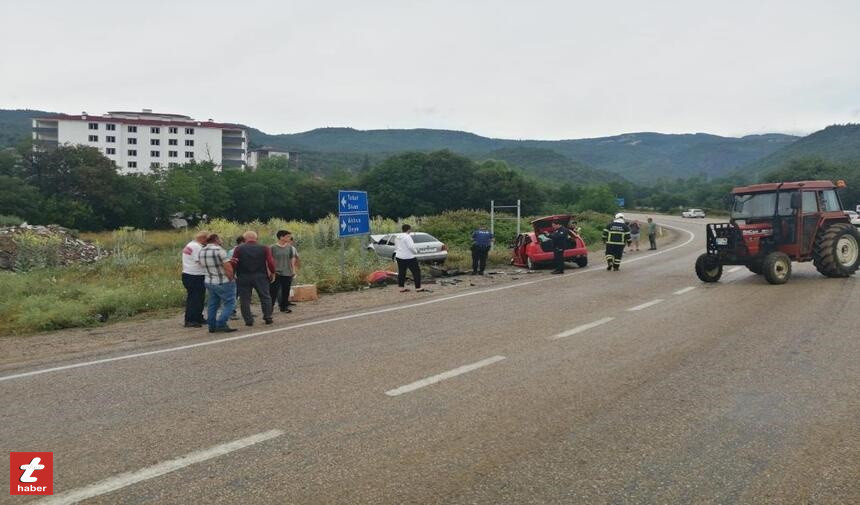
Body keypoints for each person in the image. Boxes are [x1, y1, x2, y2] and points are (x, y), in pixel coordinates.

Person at [231, 231, 276, 326]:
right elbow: (270, 262)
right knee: (265, 297)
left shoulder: (239, 249)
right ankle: (268, 317)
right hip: (261, 276)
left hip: (243, 276)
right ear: (256, 238)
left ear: (244, 238)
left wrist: (233, 274)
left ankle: (248, 320)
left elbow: (234, 262)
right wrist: (272, 272)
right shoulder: (264, 248)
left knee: (245, 299)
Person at [199, 234, 237, 333]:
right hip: (223, 281)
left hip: (209, 280)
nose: (221, 240)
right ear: (216, 239)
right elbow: (228, 267)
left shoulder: (201, 251)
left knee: (212, 304)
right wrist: (231, 278)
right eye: (220, 238)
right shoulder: (219, 251)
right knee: (230, 303)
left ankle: (211, 325)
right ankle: (221, 323)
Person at [181, 230, 209, 328]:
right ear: (203, 238)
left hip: (188, 274)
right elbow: (201, 261)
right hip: (195, 275)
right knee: (194, 298)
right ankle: (190, 320)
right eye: (207, 239)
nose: (208, 242)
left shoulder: (191, 244)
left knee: (198, 297)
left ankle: (198, 317)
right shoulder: (197, 247)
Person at [269, 230, 299, 313]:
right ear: (281, 237)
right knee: (273, 291)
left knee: (286, 291)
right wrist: (270, 272)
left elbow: (291, 259)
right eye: (288, 236)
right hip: (276, 273)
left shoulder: (289, 247)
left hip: (287, 272)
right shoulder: (272, 247)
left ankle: (284, 307)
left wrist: (293, 270)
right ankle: (269, 308)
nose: (289, 238)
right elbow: (269, 260)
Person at [394, 224, 426, 292]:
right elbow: (411, 247)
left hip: (399, 256)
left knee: (402, 272)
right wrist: (416, 252)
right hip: (409, 257)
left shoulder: (397, 236)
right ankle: (418, 288)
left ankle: (401, 288)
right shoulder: (407, 237)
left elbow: (396, 246)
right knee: (416, 271)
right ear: (408, 229)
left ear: (402, 229)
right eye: (410, 230)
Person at [226, 236, 245, 320]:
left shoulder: (244, 249)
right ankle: (231, 312)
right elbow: (230, 264)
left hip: (244, 275)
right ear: (242, 242)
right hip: (237, 276)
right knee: (234, 294)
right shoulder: (232, 251)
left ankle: (245, 311)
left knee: (245, 294)